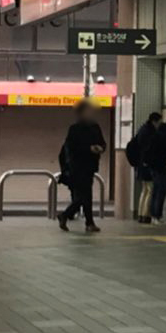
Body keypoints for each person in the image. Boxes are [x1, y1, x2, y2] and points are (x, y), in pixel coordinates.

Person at [57, 99, 106, 233]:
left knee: (85, 195)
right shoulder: (74, 129)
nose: (91, 112)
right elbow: (71, 148)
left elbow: (103, 143)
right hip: (77, 167)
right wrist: (89, 149)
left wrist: (100, 148)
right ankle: (79, 219)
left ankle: (71, 217)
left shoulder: (95, 127)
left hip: (90, 166)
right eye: (89, 110)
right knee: (84, 195)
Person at [127, 111, 161, 223]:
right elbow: (149, 149)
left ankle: (141, 214)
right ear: (154, 121)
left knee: (145, 190)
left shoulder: (142, 129)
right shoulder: (150, 132)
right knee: (150, 190)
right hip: (146, 165)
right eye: (158, 122)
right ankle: (146, 215)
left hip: (140, 164)